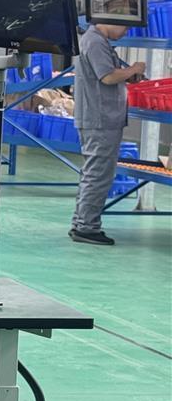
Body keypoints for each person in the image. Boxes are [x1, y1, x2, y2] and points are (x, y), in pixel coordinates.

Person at [70, 21, 146, 245]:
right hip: (100, 119)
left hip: (101, 118)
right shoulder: (94, 41)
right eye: (126, 27)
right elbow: (107, 77)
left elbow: (108, 75)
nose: (126, 32)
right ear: (111, 20)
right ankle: (87, 227)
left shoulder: (97, 41)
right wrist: (133, 69)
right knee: (98, 175)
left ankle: (81, 223)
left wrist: (129, 76)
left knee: (94, 173)